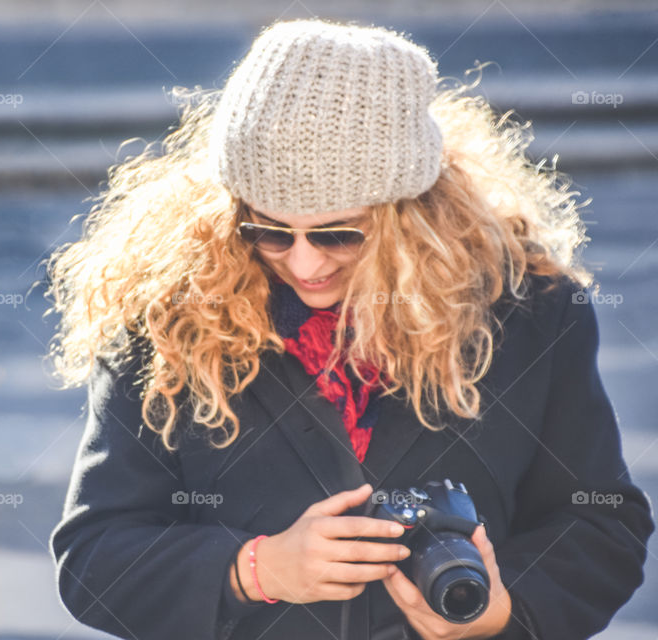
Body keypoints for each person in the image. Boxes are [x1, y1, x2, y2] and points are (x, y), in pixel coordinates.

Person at [43, 17, 654, 640]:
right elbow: (95, 556)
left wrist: (504, 614)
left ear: (409, 215)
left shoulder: (526, 309)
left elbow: (600, 523)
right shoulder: (167, 317)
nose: (305, 263)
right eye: (269, 231)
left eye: (339, 233)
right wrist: (253, 571)